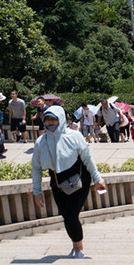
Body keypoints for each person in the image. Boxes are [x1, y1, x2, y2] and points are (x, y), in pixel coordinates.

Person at [31, 105, 107, 257]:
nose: (51, 123)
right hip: (57, 180)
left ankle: (79, 248)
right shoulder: (41, 142)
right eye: (47, 119)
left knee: (72, 215)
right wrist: (37, 192)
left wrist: (97, 178)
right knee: (66, 215)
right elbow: (36, 168)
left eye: (54, 119)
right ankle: (75, 244)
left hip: (79, 177)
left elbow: (87, 158)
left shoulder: (74, 136)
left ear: (61, 119)